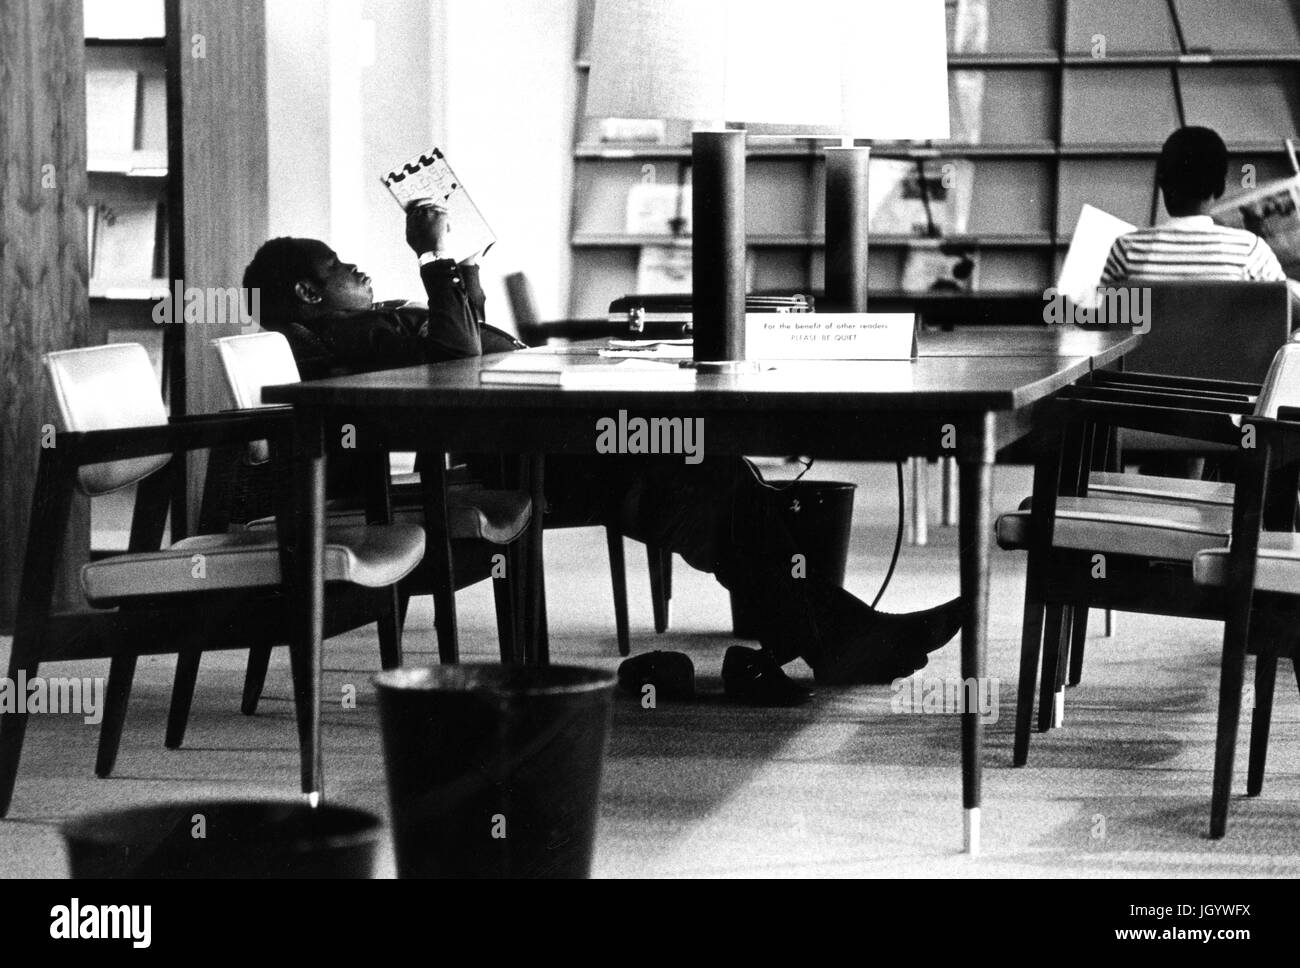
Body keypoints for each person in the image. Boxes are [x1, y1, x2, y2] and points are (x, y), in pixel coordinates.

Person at [240, 205, 963, 705]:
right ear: (307, 293)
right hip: (526, 450)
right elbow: (452, 361)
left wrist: (466, 288)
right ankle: (835, 635)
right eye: (341, 268)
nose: (359, 271)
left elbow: (458, 350)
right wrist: (429, 256)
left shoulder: (355, 329)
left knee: (703, 468)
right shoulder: (333, 340)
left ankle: (831, 633)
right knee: (690, 472)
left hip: (530, 436)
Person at [1100, 126, 1300, 306]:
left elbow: (1102, 319)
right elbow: (1285, 310)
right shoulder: (1250, 250)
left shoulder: (1126, 249)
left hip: (1149, 348)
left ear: (1162, 182)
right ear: (1220, 188)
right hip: (1228, 348)